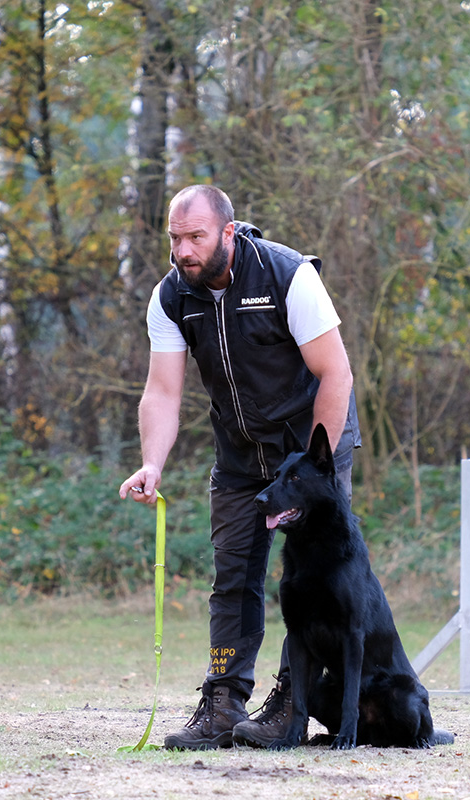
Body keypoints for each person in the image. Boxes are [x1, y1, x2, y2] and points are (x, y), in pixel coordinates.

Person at [118, 184, 361, 750]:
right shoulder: (172, 296)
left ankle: (291, 705)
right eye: (175, 239)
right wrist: (151, 463)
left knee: (314, 579)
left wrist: (315, 466)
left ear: (228, 232)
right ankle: (224, 702)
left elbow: (337, 374)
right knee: (232, 578)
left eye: (195, 237)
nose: (183, 251)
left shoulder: (288, 276)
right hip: (240, 455)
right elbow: (161, 391)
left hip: (308, 454)